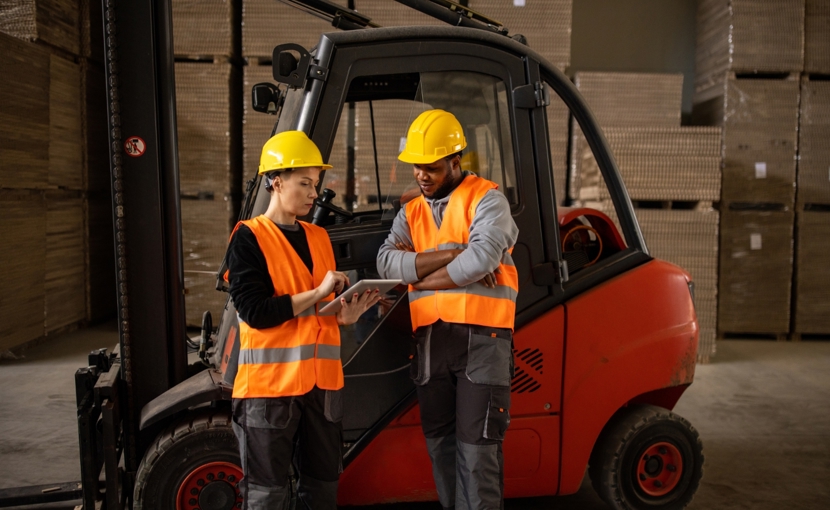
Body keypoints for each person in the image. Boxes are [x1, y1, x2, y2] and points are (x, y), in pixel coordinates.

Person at [227, 130, 381, 510]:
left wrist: (345, 315)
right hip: (270, 391)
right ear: (276, 182)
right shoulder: (249, 238)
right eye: (305, 183)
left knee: (323, 486)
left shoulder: (318, 237)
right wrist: (317, 294)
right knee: (267, 493)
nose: (315, 193)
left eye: (316, 183)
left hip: (323, 389)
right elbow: (255, 312)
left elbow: (318, 314)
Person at [376, 109, 519, 509]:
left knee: (478, 456)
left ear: (456, 161)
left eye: (432, 168)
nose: (422, 176)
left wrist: (417, 276)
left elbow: (481, 259)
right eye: (418, 168)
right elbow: (386, 264)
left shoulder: (488, 201)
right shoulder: (411, 212)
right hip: (430, 345)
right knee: (441, 451)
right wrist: (453, 254)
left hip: (482, 342)